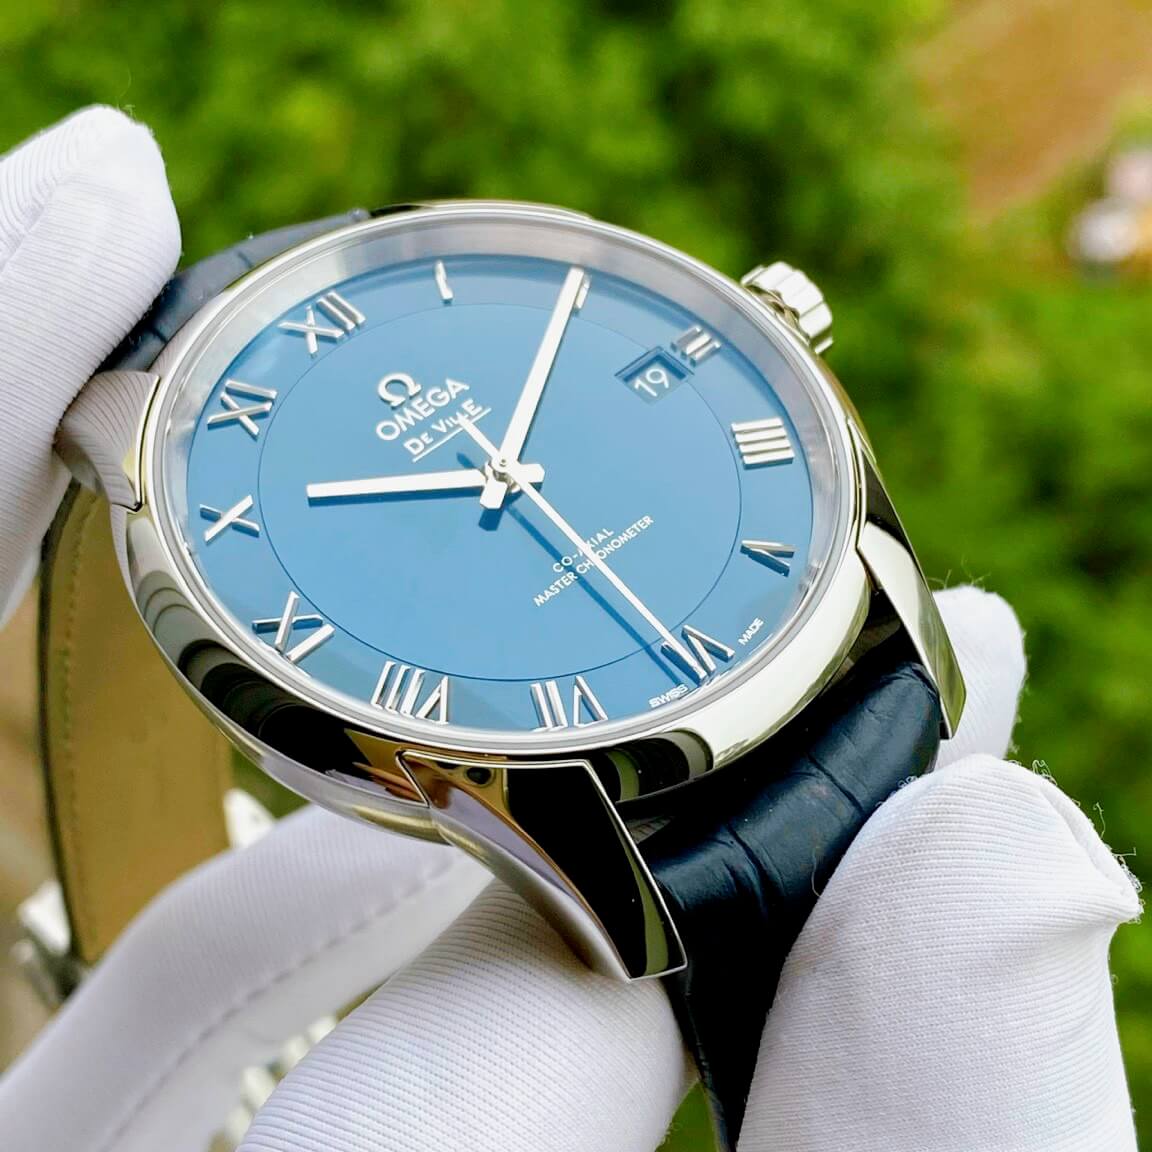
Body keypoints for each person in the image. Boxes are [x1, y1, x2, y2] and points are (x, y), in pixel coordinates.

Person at [0, 108, 1140, 1152]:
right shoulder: (149, 461)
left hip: (815, 665)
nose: (500, 470)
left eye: (504, 457)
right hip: (571, 794)